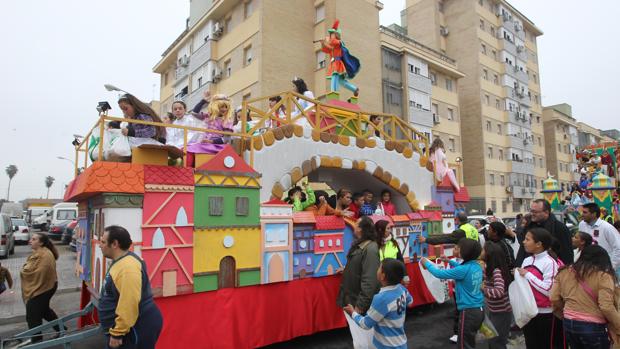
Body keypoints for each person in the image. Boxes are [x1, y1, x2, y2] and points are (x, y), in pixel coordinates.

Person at [99, 225, 163, 349]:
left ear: (115, 244)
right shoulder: (121, 261)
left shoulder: (128, 268)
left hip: (135, 329)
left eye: (103, 242)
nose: (100, 245)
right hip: (130, 328)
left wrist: (117, 333)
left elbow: (129, 303)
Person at [551, 245, 620, 348]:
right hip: (593, 326)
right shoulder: (604, 276)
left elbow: (554, 298)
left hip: (569, 322)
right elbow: (606, 306)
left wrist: (568, 312)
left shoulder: (564, 272)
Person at [421, 239, 484, 349]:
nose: (457, 249)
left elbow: (439, 274)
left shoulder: (463, 269)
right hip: (478, 309)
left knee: (464, 345)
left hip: (468, 312)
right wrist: (449, 261)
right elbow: (461, 268)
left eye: (459, 248)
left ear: (464, 252)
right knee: (469, 342)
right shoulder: (476, 265)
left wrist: (426, 263)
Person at [344, 258, 413, 349]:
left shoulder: (381, 299)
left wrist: (352, 313)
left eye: (379, 267)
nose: (377, 269)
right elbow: (410, 302)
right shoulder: (401, 289)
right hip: (401, 343)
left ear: (383, 276)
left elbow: (366, 324)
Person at [337, 216, 381, 349]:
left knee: (364, 340)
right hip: (352, 298)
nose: (354, 226)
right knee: (359, 338)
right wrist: (346, 269)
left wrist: (361, 305)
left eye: (356, 224)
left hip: (359, 302)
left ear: (362, 229)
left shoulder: (370, 248)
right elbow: (360, 268)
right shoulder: (361, 245)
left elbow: (370, 279)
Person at [515, 228, 559, 349]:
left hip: (545, 314)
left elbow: (549, 290)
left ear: (539, 244)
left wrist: (527, 275)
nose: (524, 242)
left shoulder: (550, 262)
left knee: (544, 345)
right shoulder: (527, 260)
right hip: (528, 312)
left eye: (527, 239)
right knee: (531, 344)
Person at [20, 233, 61, 343]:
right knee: (44, 311)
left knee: (32, 313)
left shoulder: (45, 255)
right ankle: (61, 329)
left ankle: (37, 340)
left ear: (41, 243)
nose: (30, 241)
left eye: (34, 239)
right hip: (46, 285)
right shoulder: (39, 253)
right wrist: (26, 269)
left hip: (46, 286)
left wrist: (25, 270)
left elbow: (38, 273)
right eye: (31, 239)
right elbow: (30, 268)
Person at [517, 199, 573, 266]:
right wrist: (517, 265)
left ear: (546, 212)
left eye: (535, 212)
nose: (532, 214)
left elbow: (566, 254)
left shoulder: (559, 228)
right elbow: (523, 249)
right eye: (531, 211)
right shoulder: (529, 226)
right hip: (528, 268)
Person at [481, 242, 512, 349]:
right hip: (493, 311)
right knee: (491, 339)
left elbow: (499, 292)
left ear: (489, 254)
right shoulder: (489, 268)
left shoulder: (496, 271)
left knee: (496, 342)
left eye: (483, 250)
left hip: (502, 312)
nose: (481, 251)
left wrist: (484, 289)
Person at [320, 20, 360, 97]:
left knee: (334, 76)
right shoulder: (332, 45)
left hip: (337, 63)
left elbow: (332, 42)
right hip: (333, 63)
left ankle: (334, 92)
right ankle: (354, 89)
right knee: (341, 81)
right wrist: (323, 43)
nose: (330, 35)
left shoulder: (338, 43)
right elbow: (326, 49)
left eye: (332, 34)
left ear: (336, 35)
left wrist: (326, 41)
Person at [578, 202, 620, 273]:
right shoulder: (582, 225)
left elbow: (618, 248)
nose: (582, 214)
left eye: (585, 212)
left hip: (604, 269)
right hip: (587, 268)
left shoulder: (607, 227)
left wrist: (611, 268)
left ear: (593, 214)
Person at [375, 220, 409, 285]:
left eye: (390, 228)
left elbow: (400, 260)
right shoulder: (374, 244)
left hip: (393, 277)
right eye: (388, 228)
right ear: (380, 230)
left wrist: (405, 275)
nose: (390, 231)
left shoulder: (393, 243)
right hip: (379, 278)